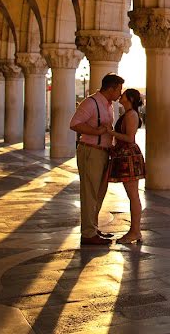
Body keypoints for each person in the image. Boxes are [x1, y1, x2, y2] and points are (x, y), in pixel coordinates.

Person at [70, 72, 124, 245]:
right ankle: (88, 233)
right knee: (89, 193)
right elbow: (75, 123)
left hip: (103, 152)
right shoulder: (91, 102)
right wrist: (97, 132)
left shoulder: (107, 105)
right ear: (111, 88)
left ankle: (92, 228)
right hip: (91, 151)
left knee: (98, 192)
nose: (120, 93)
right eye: (119, 89)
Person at [107, 88, 146, 243]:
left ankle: (135, 231)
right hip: (124, 154)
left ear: (129, 98)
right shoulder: (128, 114)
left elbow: (129, 138)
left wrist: (110, 132)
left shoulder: (131, 115)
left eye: (123, 95)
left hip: (128, 155)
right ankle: (135, 231)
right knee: (133, 195)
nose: (120, 96)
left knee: (133, 196)